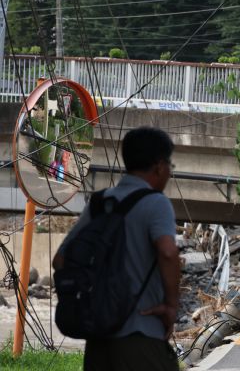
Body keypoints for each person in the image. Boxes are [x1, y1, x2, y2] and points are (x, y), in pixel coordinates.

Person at [54, 127, 180, 371]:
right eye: (169, 165)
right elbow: (168, 252)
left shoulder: (101, 203)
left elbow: (61, 259)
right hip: (141, 334)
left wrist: (93, 298)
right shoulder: (156, 203)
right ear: (158, 166)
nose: (169, 172)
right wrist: (171, 306)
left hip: (99, 339)